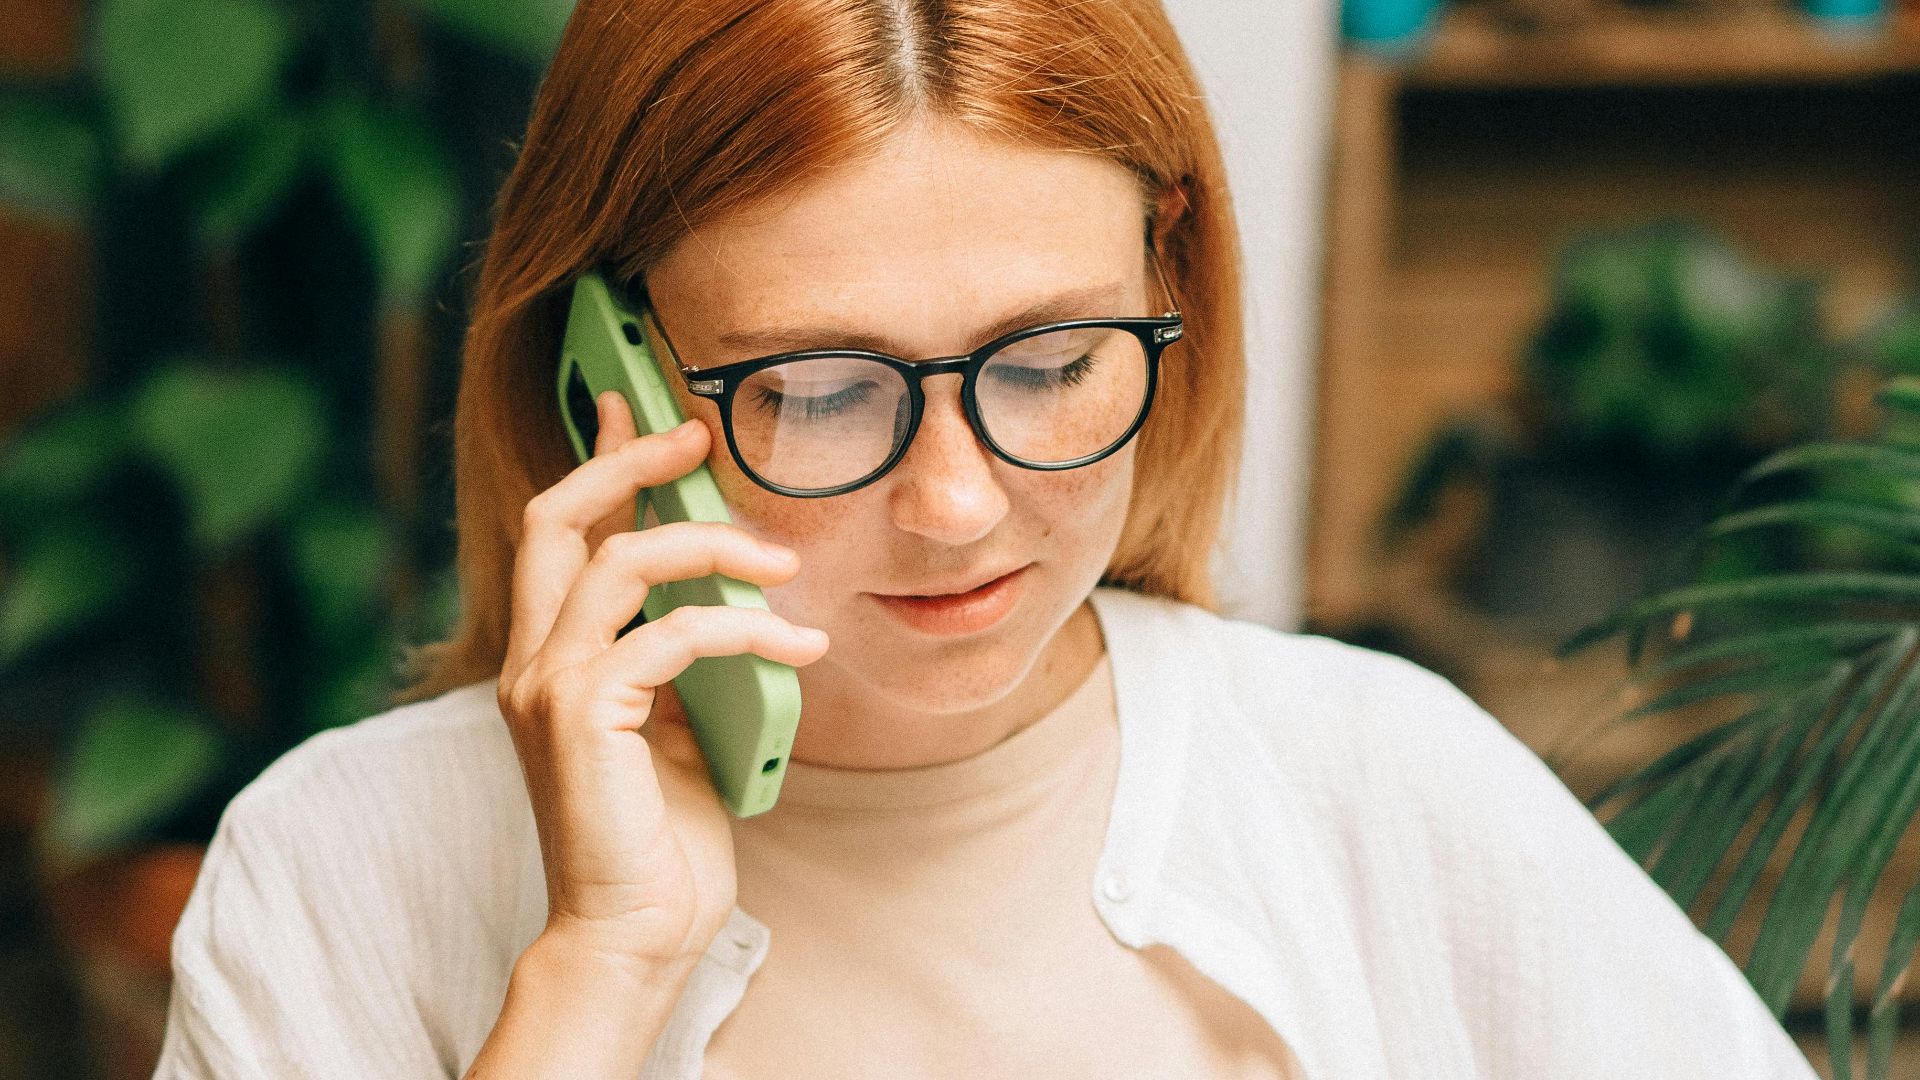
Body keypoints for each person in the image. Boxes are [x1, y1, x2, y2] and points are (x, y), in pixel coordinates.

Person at [152, 1, 1820, 1078]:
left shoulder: (1378, 784)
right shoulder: (345, 869)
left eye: (1047, 364)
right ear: (615, 370)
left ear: (1171, 281)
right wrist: (599, 971)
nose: (956, 507)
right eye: (815, 390)